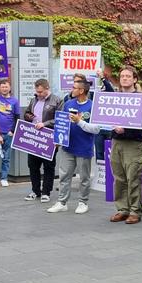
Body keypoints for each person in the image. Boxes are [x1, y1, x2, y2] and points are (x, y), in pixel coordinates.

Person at [47, 80, 100, 214]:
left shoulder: (93, 106)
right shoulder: (68, 103)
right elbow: (62, 123)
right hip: (68, 146)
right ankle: (62, 202)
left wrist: (79, 121)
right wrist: (58, 138)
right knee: (64, 176)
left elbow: (96, 129)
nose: (72, 89)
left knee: (84, 177)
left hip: (84, 147)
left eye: (74, 87)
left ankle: (83, 202)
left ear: (82, 91)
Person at [109, 66, 142, 225]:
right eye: (122, 76)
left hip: (133, 143)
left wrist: (125, 129)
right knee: (119, 178)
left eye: (128, 76)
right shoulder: (114, 97)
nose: (124, 78)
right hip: (116, 142)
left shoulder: (140, 98)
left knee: (133, 178)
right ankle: (122, 209)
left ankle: (134, 211)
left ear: (134, 79)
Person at [23, 78, 62, 203]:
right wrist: (30, 116)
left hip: (49, 137)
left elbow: (60, 119)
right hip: (34, 137)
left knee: (48, 166)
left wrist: (44, 124)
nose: (38, 94)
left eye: (40, 92)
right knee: (32, 165)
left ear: (47, 88)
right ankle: (35, 191)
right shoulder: (34, 100)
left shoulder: (57, 100)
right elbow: (26, 113)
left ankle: (46, 192)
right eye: (37, 91)